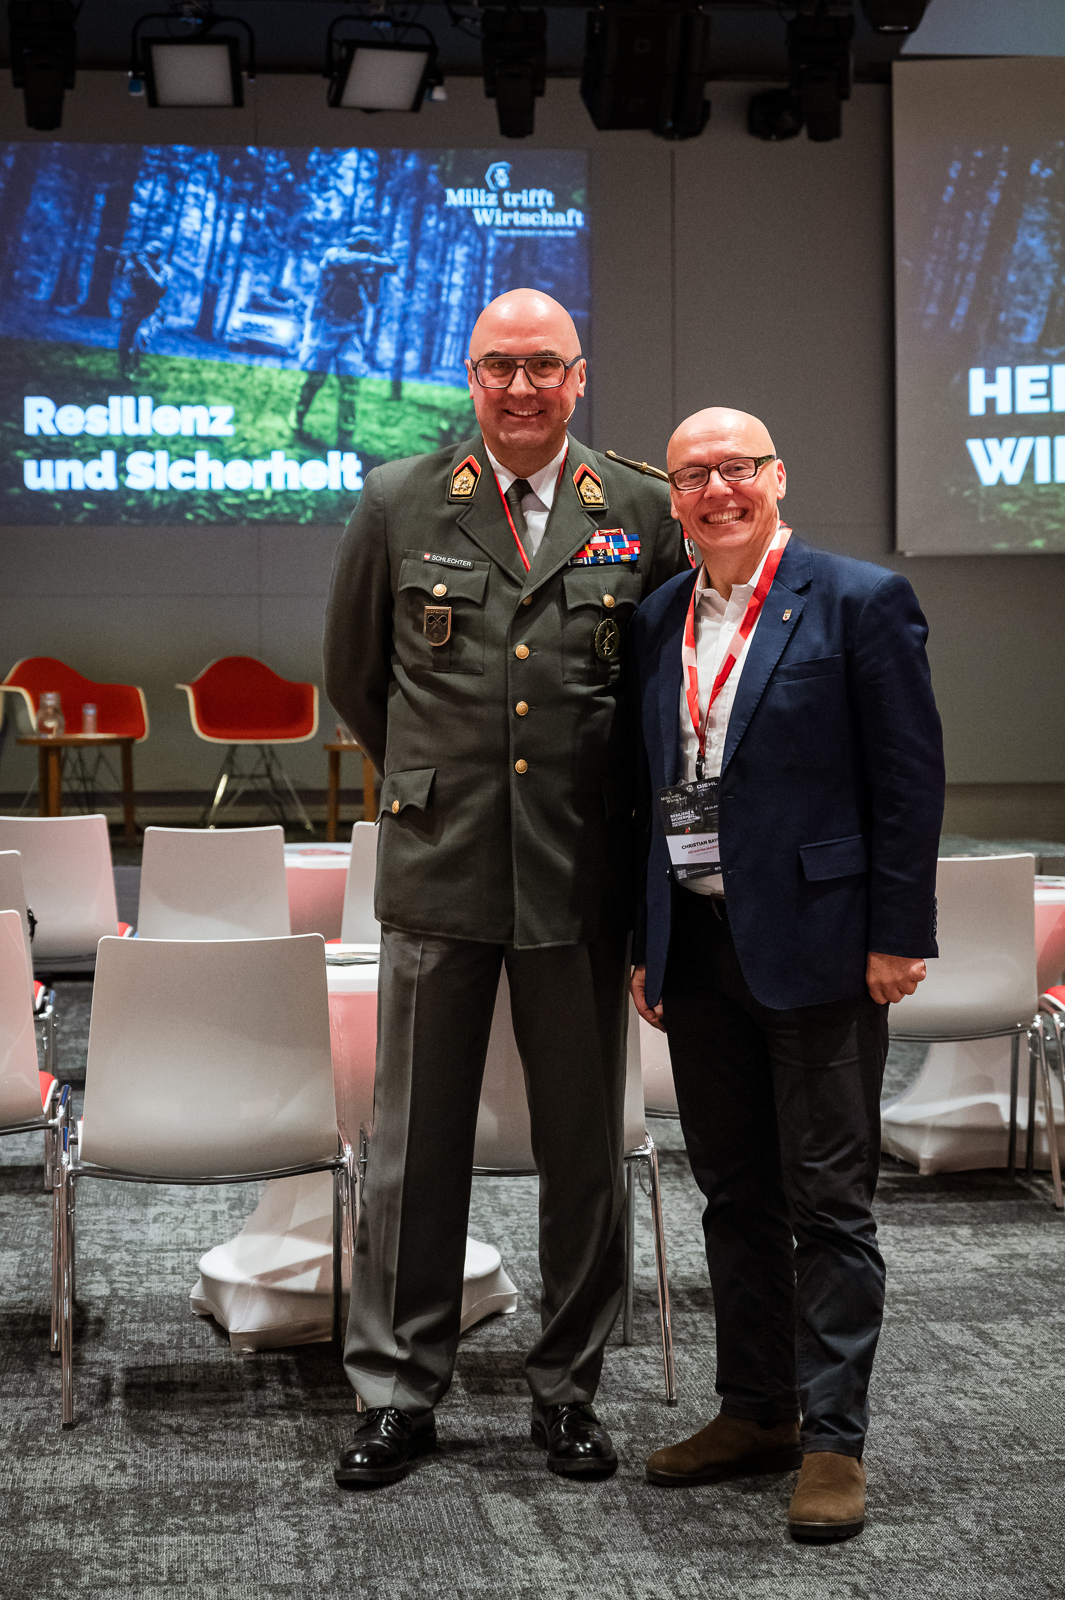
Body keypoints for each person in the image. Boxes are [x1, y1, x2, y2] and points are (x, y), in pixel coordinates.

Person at [323, 288, 688, 1488]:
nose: (520, 388)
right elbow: (358, 681)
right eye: (497, 368)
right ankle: (397, 1389)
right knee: (411, 1142)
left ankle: (569, 1386)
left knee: (585, 1145)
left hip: (582, 866)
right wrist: (441, 781)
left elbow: (656, 694)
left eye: (543, 367)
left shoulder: (636, 507)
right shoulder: (398, 499)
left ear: (580, 377)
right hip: (442, 861)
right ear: (468, 379)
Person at [630, 407, 944, 1542]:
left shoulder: (858, 598)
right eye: (694, 475)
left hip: (821, 945)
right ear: (671, 498)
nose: (719, 489)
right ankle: (754, 1409)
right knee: (734, 1196)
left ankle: (832, 1440)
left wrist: (899, 932)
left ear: (776, 474)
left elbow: (910, 781)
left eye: (738, 468)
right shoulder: (659, 613)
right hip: (703, 951)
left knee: (830, 1203)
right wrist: (647, 939)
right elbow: (656, 789)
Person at [292, 230, 397, 448]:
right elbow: (341, 260)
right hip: (325, 325)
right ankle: (297, 420)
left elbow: (374, 299)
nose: (363, 250)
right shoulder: (335, 255)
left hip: (351, 329)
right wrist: (375, 260)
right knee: (315, 378)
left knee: (350, 384)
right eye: (361, 246)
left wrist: (377, 273)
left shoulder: (366, 268)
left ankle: (344, 439)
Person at [115, 243, 169, 380]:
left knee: (140, 339)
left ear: (157, 256)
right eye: (146, 254)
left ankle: (134, 368)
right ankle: (123, 369)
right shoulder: (136, 266)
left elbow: (161, 284)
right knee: (124, 340)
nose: (147, 257)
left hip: (152, 310)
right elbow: (120, 273)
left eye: (151, 255)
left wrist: (147, 267)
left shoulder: (163, 269)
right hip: (135, 308)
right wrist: (123, 259)